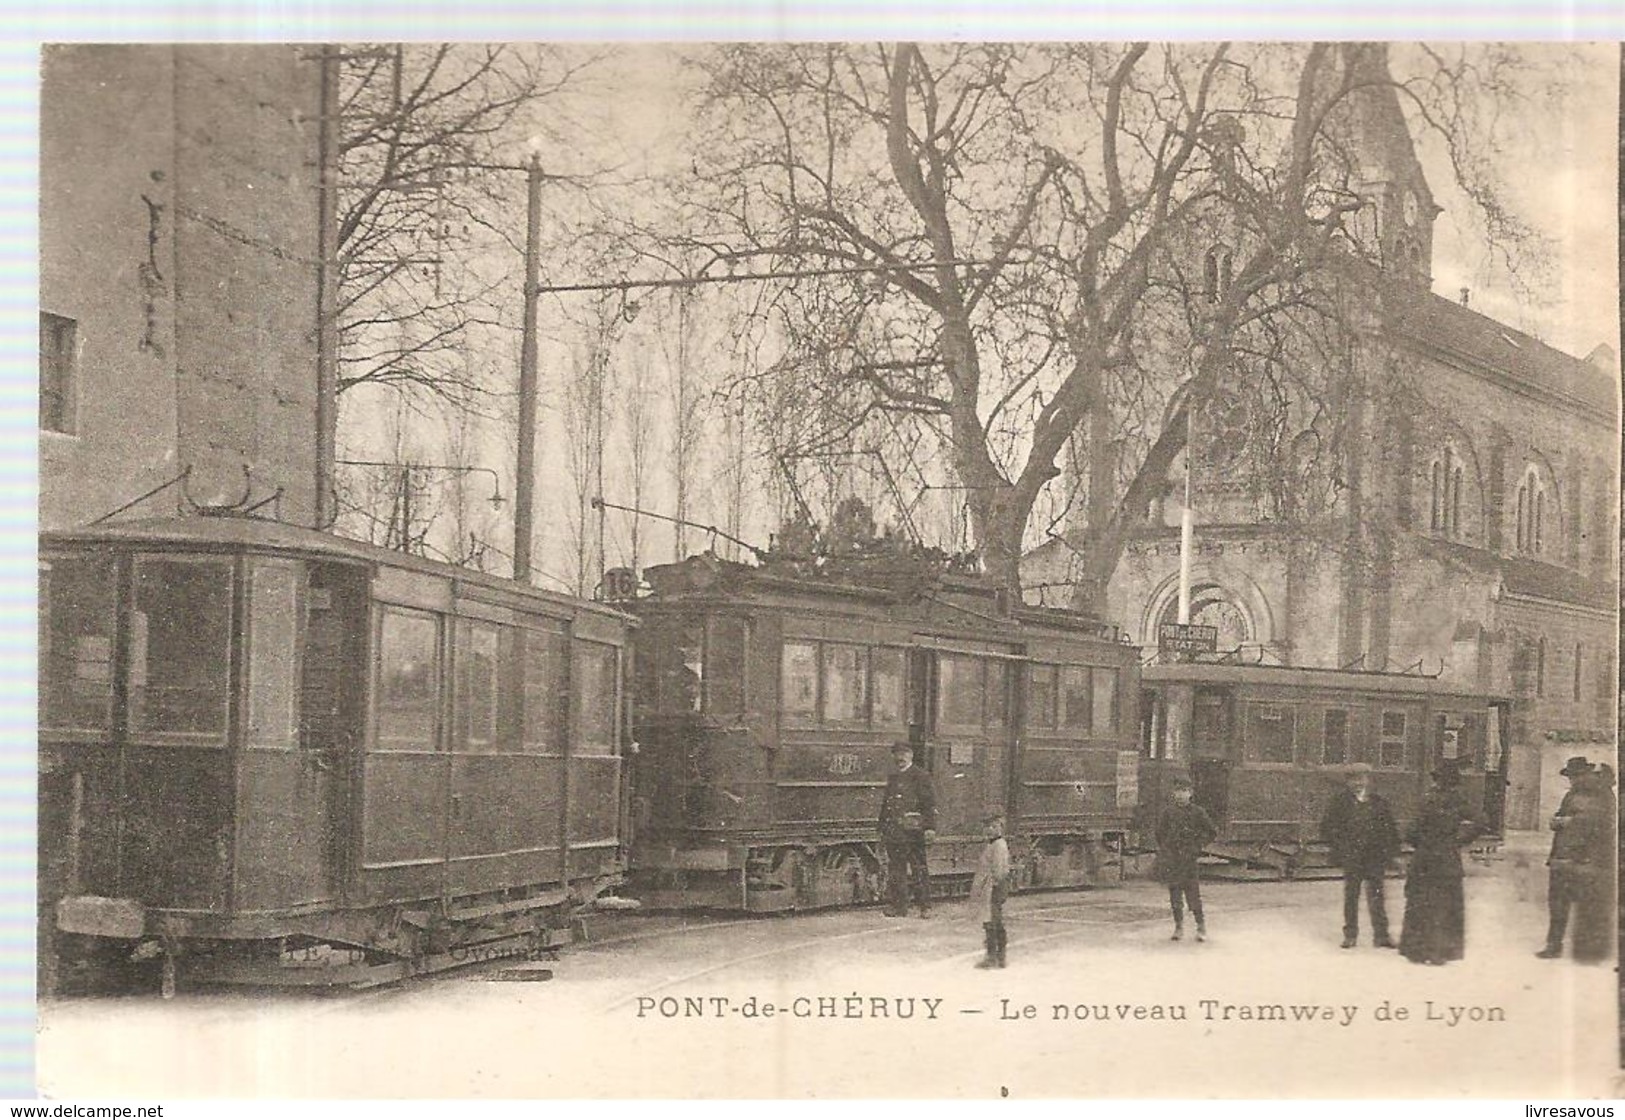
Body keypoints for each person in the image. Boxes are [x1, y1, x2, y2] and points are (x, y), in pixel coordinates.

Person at [1399, 763, 1482, 966]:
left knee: (1421, 903)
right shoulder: (1459, 800)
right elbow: (1480, 820)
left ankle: (1417, 951)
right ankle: (1441, 952)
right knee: (1444, 906)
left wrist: (1418, 842)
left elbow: (1411, 831)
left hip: (1424, 857)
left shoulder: (1428, 798)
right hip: (1447, 857)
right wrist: (1459, 840)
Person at [1319, 763, 1402, 949]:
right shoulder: (1339, 803)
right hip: (1352, 857)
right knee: (1351, 896)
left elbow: (1390, 831)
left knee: (1377, 897)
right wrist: (1341, 846)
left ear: (1368, 780)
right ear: (1347, 782)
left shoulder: (1379, 803)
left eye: (1361, 778)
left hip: (1375, 858)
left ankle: (1381, 936)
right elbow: (1326, 828)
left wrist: (1394, 854)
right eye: (1353, 779)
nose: (1357, 783)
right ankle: (1350, 936)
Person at [1537, 756, 1603, 959]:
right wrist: (1556, 820)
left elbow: (1597, 823)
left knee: (1588, 905)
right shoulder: (1570, 795)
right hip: (1561, 857)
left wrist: (1569, 822)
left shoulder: (1600, 796)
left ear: (1585, 775)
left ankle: (1590, 948)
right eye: (1571, 777)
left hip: (1583, 859)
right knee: (1557, 904)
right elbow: (1560, 816)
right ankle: (1554, 945)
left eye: (1575, 776)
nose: (1572, 780)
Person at [1153, 775, 1217, 942]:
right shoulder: (1168, 812)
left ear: (1191, 793)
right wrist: (1166, 848)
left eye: (1184, 791)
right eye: (1178, 791)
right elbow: (1160, 833)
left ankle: (1201, 926)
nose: (1181, 795)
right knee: (1174, 894)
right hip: (1173, 859)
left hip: (1189, 859)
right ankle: (1178, 927)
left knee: (1193, 894)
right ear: (1173, 794)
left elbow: (1211, 832)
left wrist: (1198, 846)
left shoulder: (1198, 812)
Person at [879, 740, 936, 918]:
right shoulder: (894, 776)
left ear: (911, 755)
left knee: (918, 868)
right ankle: (899, 907)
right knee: (897, 870)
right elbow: (886, 804)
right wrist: (881, 827)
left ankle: (925, 906)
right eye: (897, 754)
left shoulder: (920, 776)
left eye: (904, 753)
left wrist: (929, 827)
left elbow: (929, 804)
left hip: (913, 831)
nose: (900, 757)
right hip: (895, 831)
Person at [969, 814, 1011, 968]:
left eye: (994, 827)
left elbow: (999, 870)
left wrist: (992, 884)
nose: (991, 830)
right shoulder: (993, 844)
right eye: (988, 827)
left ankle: (994, 957)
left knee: (992, 921)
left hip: (993, 888)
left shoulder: (998, 845)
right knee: (993, 920)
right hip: (990, 887)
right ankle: (998, 957)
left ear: (1001, 828)